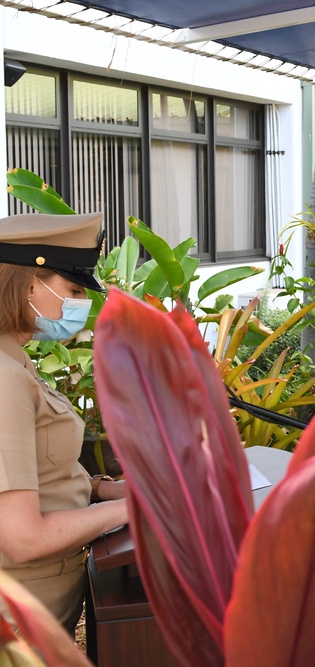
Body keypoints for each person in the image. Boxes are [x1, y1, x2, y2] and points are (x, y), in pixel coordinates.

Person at [0, 212, 128, 634]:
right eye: (73, 289)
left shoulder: (16, 360)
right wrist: (131, 509)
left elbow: (39, 468)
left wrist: (102, 488)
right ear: (29, 283)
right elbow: (23, 538)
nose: (81, 303)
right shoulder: (3, 377)